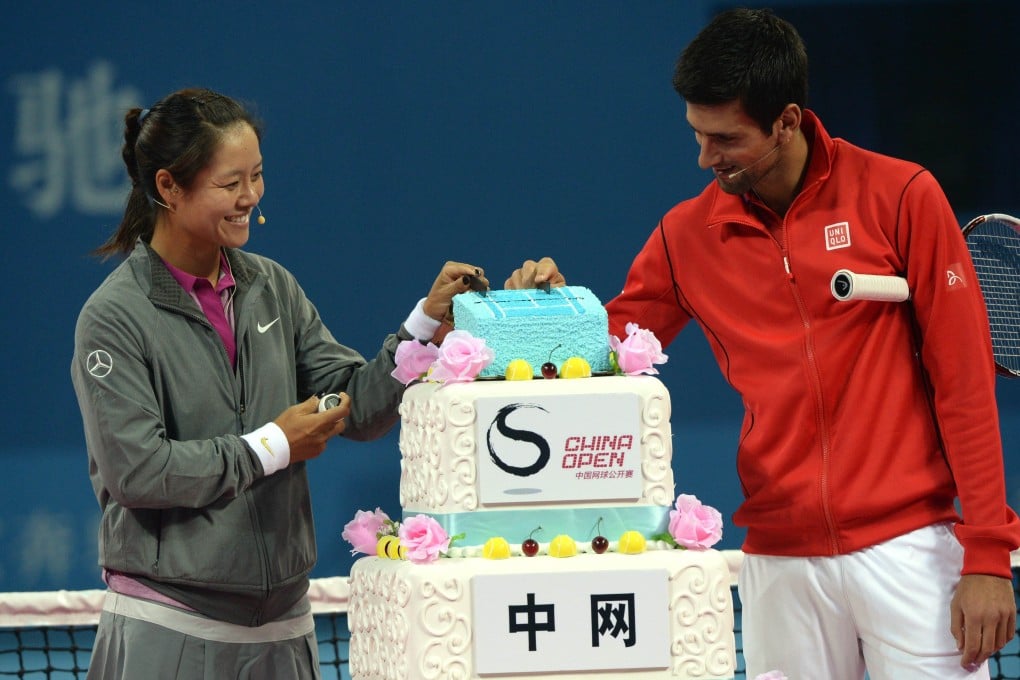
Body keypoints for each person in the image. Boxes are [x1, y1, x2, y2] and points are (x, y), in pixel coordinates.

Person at [507, 8, 1018, 679]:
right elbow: (603, 351)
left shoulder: (901, 197)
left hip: (910, 549)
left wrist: (987, 554)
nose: (704, 157)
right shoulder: (685, 237)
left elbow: (963, 386)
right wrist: (536, 313)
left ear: (788, 120)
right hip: (781, 562)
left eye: (725, 139)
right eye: (696, 134)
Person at [70, 87, 485, 679]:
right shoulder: (113, 317)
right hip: (170, 628)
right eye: (229, 183)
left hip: (285, 629)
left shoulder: (273, 287)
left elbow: (357, 408)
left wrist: (423, 326)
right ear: (168, 187)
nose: (249, 198)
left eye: (257, 177)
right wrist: (271, 446)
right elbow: (137, 470)